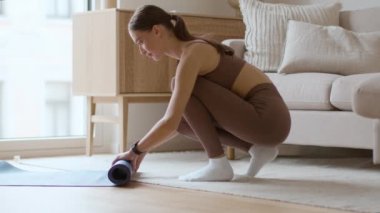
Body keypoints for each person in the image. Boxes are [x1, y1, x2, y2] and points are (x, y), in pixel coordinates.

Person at [112, 5, 291, 182]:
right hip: (269, 122)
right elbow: (176, 124)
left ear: (157, 31)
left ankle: (218, 163)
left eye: (140, 41)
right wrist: (143, 150)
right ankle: (255, 148)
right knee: (183, 122)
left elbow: (169, 121)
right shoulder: (189, 54)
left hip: (269, 118)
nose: (141, 50)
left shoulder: (193, 53)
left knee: (181, 88)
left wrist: (136, 150)